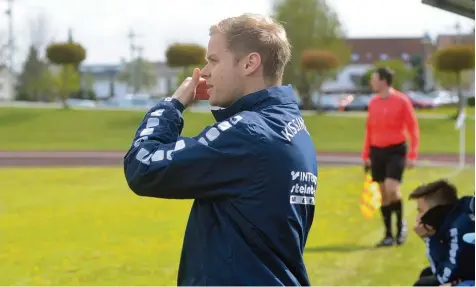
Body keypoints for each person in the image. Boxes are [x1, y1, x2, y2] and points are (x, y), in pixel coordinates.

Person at [123, 13, 318, 286]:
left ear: (250, 63)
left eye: (213, 60)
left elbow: (143, 166)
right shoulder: (294, 128)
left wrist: (172, 106)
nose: (203, 72)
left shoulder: (249, 133)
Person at [361, 67, 420, 247]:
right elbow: (369, 129)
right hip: (377, 151)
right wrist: (366, 154)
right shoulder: (373, 102)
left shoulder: (402, 101)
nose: (372, 82)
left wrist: (412, 154)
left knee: (392, 188)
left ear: (384, 81)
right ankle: (388, 235)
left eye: (374, 79)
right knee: (383, 193)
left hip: (396, 150)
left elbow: (413, 128)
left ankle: (400, 226)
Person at [408, 180, 475, 286]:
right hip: (467, 274)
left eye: (420, 211)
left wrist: (429, 238)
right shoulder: (453, 218)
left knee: (423, 284)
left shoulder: (459, 228)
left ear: (435, 211)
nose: (418, 218)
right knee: (426, 274)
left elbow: (443, 277)